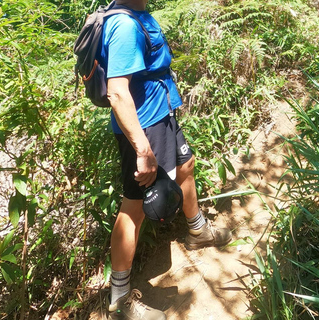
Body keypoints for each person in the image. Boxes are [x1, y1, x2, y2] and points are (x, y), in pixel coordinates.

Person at [99, 0, 232, 319]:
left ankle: (198, 232)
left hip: (161, 118)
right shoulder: (125, 25)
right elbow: (116, 93)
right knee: (134, 208)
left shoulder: (138, 15)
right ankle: (120, 301)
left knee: (186, 166)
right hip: (142, 130)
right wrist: (143, 149)